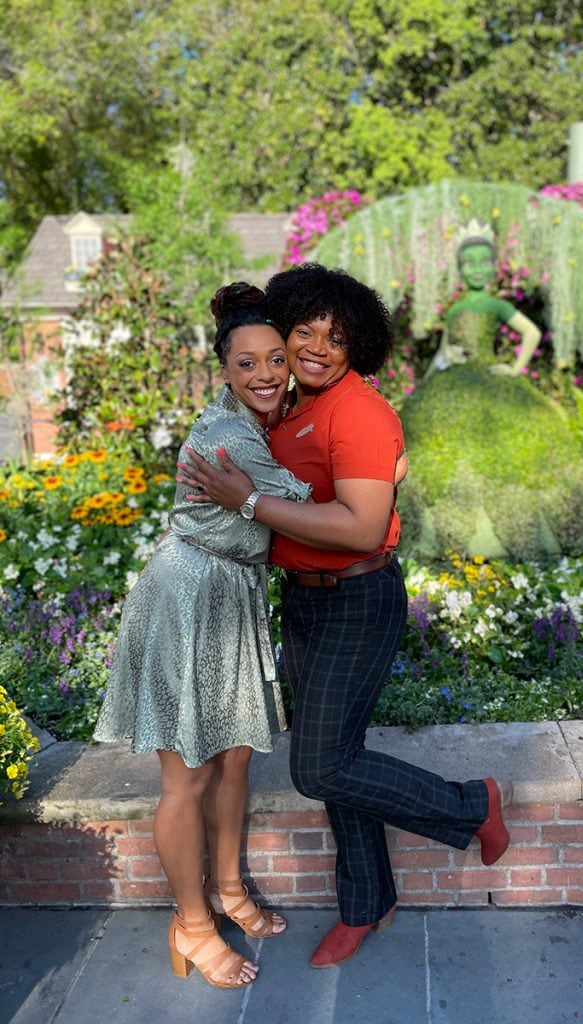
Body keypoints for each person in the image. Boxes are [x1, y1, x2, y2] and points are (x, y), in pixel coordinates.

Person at [176, 263, 513, 970]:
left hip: (356, 597)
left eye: (337, 335)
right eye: (305, 331)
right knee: (343, 764)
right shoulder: (294, 406)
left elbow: (361, 529)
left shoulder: (357, 410)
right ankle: (366, 904)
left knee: (320, 766)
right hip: (305, 597)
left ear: (358, 343)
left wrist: (248, 501)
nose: (319, 347)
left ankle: (470, 804)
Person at [94, 283, 314, 988]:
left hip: (230, 594)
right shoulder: (228, 434)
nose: (266, 374)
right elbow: (302, 500)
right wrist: (386, 469)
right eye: (246, 364)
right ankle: (190, 924)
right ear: (223, 370)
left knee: (235, 756)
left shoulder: (252, 418)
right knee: (188, 774)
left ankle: (229, 891)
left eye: (276, 359)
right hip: (188, 594)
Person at [423, 220, 541, 380]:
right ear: (460, 269)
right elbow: (443, 350)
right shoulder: (455, 309)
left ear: (493, 266)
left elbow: (532, 332)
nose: (478, 269)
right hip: (454, 377)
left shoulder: (497, 305)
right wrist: (428, 379)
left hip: (487, 376)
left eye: (485, 262)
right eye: (469, 263)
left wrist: (515, 370)